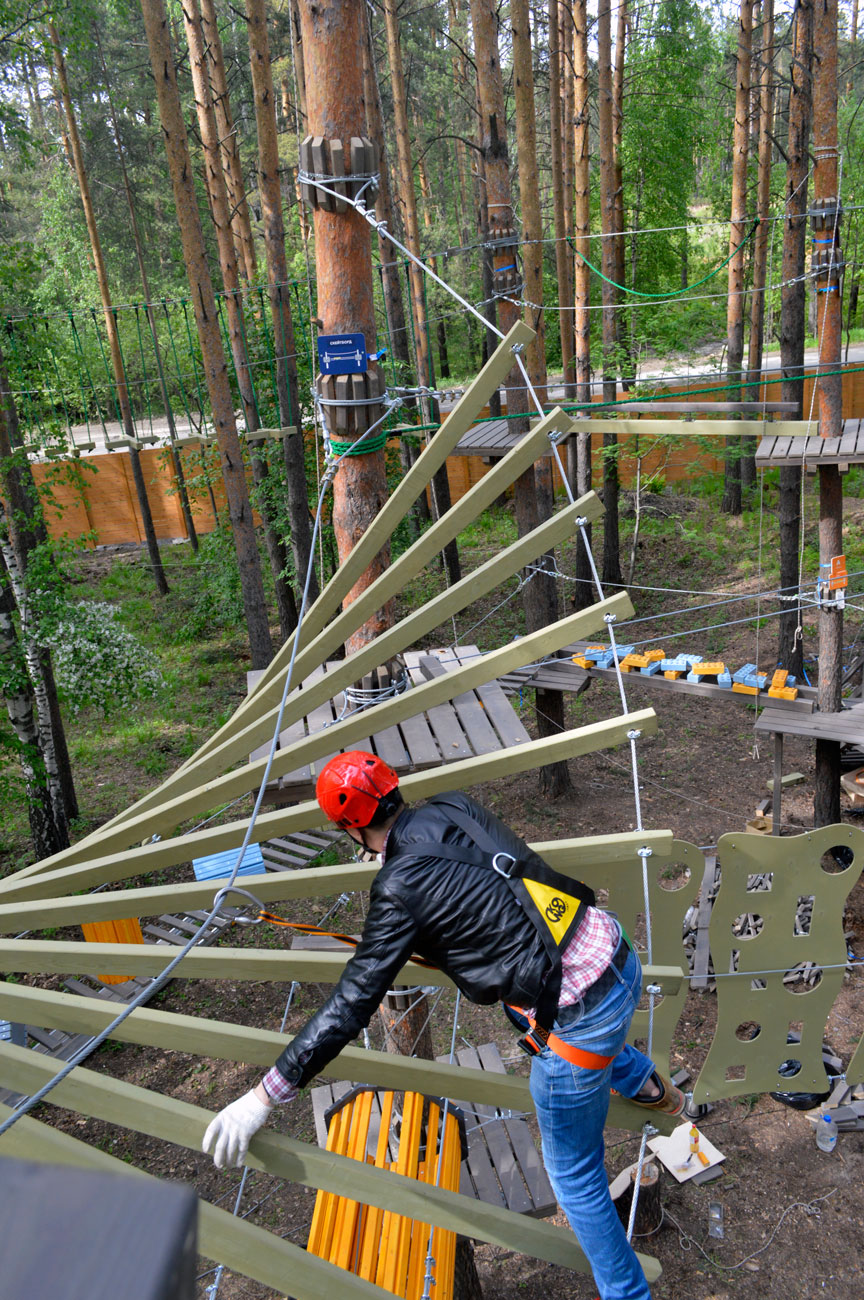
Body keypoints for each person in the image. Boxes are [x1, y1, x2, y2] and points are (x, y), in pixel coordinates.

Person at [203, 751, 683, 1300]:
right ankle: (644, 1084)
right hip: (616, 955)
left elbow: (351, 1003)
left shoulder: (397, 891)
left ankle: (628, 1293)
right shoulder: (455, 807)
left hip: (578, 1022)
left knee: (574, 1178)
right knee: (569, 1024)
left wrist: (263, 1097)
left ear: (351, 826)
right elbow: (482, 889)